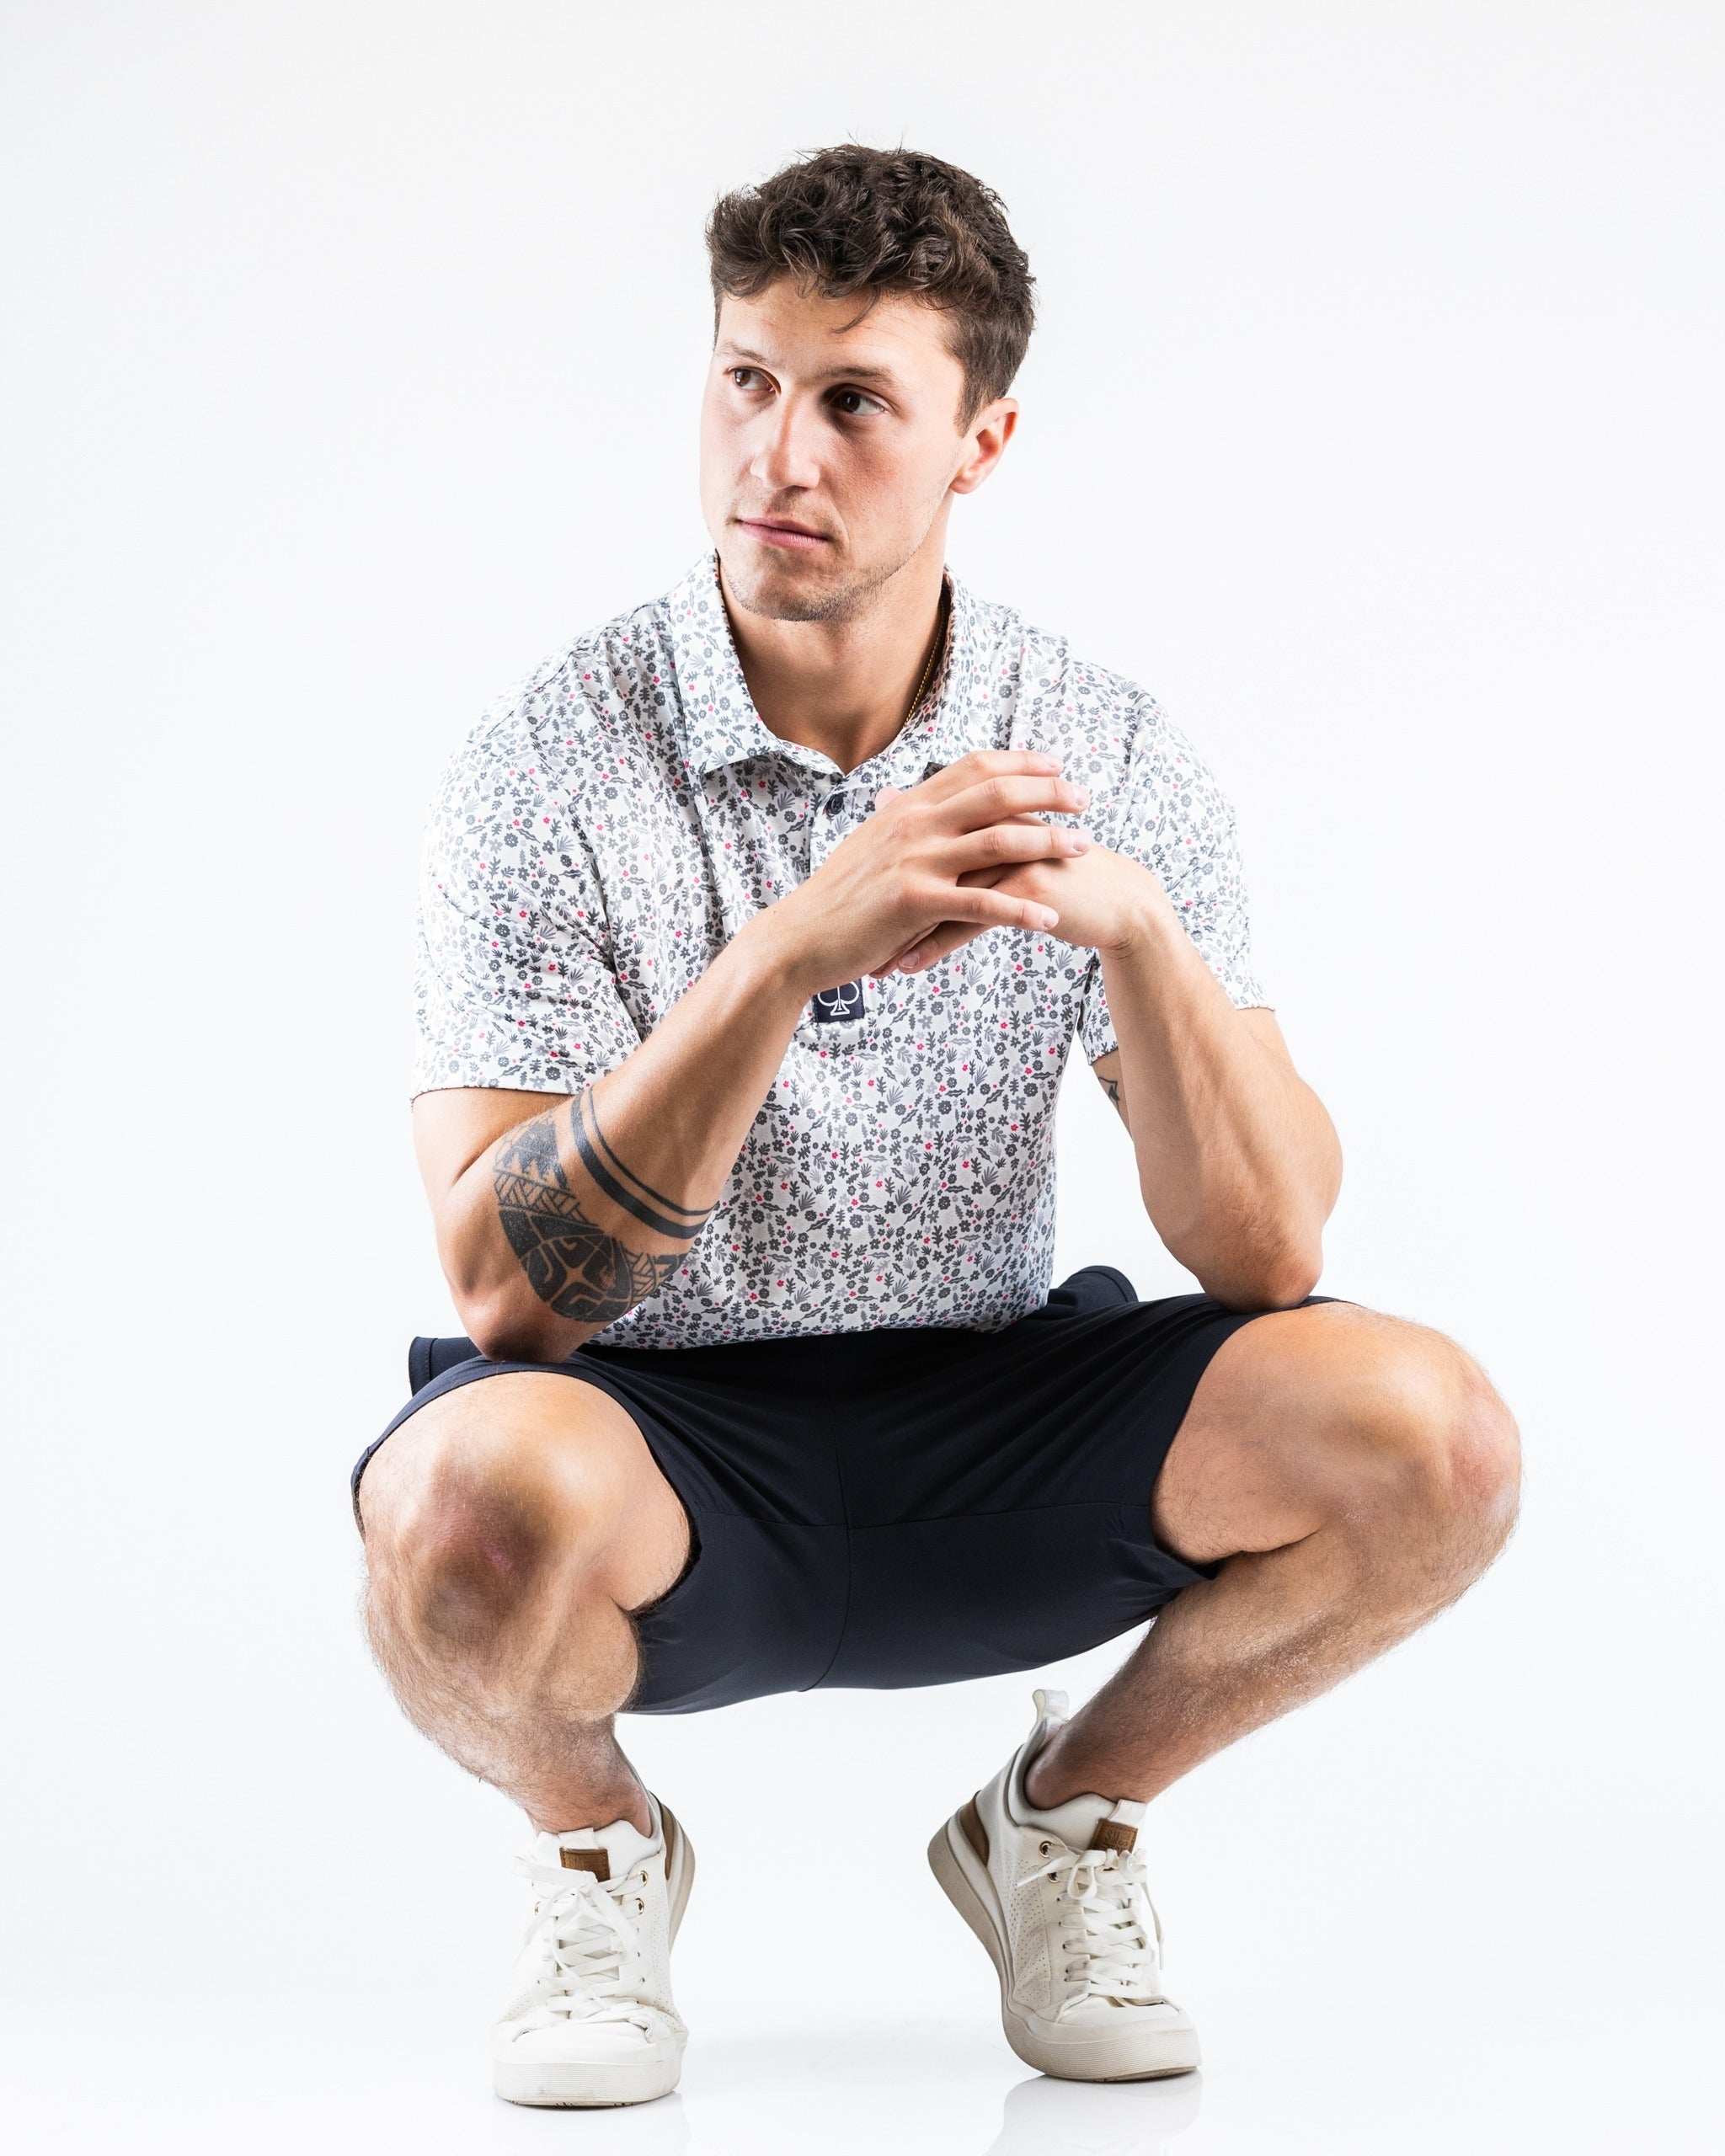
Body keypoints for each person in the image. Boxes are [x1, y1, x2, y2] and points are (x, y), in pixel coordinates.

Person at [353, 146, 1520, 2108]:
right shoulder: (546, 761)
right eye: (743, 380)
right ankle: (593, 1851)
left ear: (979, 439)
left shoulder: (1108, 745)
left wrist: (1139, 930)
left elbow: (1268, 1262)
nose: (773, 458)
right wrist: (784, 953)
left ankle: (1058, 1822)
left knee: (1433, 1433)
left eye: (850, 401)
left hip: (1001, 1417)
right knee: (461, 1501)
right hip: (668, 1448)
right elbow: (500, 1285)